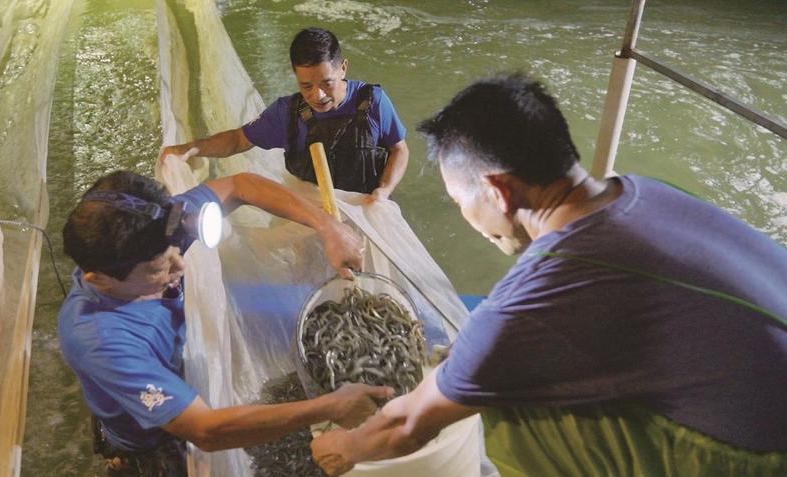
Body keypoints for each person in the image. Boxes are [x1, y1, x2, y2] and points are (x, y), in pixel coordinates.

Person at [311, 73, 787, 476]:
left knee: (505, 407)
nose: (467, 219)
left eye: (461, 202)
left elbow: (407, 425)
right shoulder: (647, 194)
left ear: (497, 192)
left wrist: (345, 448)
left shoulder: (548, 288)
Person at [58, 167, 393, 476]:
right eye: (160, 268)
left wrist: (327, 226)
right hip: (149, 440)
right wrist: (328, 407)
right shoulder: (101, 339)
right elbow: (205, 429)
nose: (181, 267)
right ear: (100, 280)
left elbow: (239, 185)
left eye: (178, 251)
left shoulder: (154, 225)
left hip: (167, 361)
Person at [162, 27, 409, 201]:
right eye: (306, 86)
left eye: (327, 83)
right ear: (295, 75)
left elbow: (399, 149)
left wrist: (384, 190)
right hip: (313, 211)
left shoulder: (372, 101)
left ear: (343, 68)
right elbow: (238, 140)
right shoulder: (286, 113)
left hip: (368, 205)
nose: (318, 95)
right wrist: (190, 149)